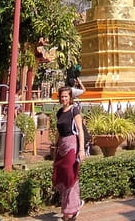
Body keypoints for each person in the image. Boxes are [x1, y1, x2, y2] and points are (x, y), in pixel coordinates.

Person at [52, 86, 85, 221]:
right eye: (62, 96)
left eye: (66, 96)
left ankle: (69, 211)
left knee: (70, 175)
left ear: (70, 97)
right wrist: (55, 146)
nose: (64, 98)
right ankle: (75, 204)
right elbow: (59, 132)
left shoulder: (74, 110)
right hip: (62, 144)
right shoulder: (60, 112)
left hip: (72, 144)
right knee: (62, 176)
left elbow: (80, 130)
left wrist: (81, 149)